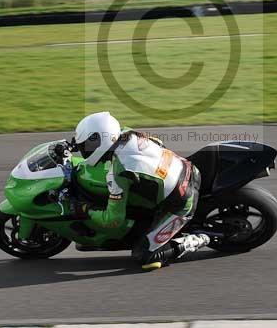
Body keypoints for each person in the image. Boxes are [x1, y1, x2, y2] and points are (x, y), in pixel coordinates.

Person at [70, 111, 210, 270]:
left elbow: (113, 220)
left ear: (102, 141)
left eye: (87, 145)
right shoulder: (127, 133)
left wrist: (84, 209)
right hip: (187, 168)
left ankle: (196, 240)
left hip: (181, 202)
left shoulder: (118, 173)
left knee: (144, 256)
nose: (84, 150)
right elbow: (158, 142)